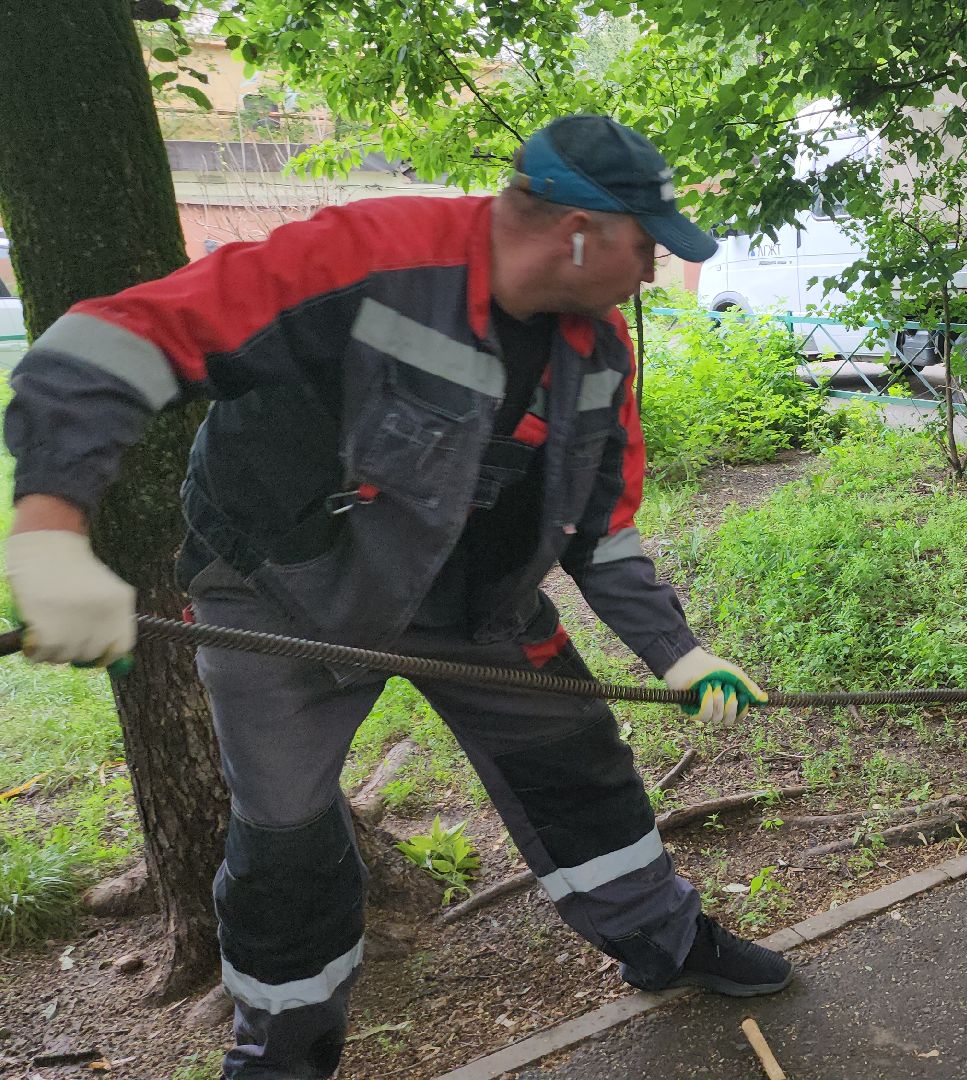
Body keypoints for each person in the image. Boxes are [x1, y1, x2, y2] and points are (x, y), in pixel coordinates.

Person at [4, 115, 789, 1078]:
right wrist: (49, 533)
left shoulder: (600, 352)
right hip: (284, 599)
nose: (652, 270)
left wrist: (678, 650)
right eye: (645, 246)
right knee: (285, 847)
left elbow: (603, 529)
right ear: (579, 233)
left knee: (580, 767)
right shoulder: (370, 256)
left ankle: (666, 943)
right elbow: (103, 343)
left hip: (477, 606)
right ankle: (282, 1053)